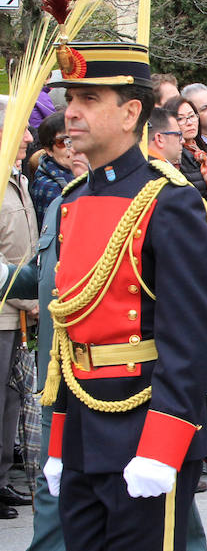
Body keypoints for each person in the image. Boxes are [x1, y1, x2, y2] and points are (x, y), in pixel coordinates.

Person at [40, 41, 207, 551]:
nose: (69, 112)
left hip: (143, 431)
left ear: (130, 112)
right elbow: (64, 340)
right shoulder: (73, 200)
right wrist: (58, 442)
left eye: (89, 99)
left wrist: (161, 448)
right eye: (70, 97)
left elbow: (188, 340)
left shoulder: (171, 202)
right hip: (80, 432)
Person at [0, 97, 39, 519]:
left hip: (18, 310)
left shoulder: (15, 179)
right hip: (5, 309)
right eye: (20, 128)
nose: (28, 136)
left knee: (10, 404)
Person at [163, 95, 207, 202]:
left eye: (191, 116)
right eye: (181, 119)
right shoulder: (175, 156)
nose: (189, 123)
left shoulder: (202, 149)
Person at [30, 111, 74, 226]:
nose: (72, 147)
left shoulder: (85, 172)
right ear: (48, 150)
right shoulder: (49, 187)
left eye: (76, 138)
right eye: (62, 142)